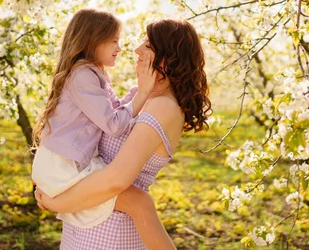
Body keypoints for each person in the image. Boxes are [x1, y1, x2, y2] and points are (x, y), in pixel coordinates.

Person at [35, 19, 212, 250]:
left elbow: (117, 180)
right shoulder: (143, 96)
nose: (137, 49)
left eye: (148, 46)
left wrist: (56, 201)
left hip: (111, 234)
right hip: (87, 224)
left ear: (168, 57)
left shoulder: (164, 107)